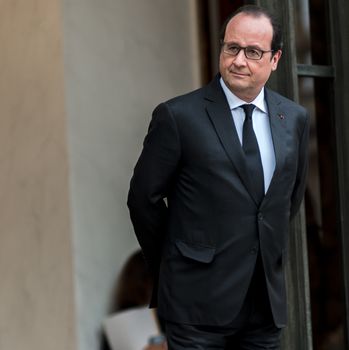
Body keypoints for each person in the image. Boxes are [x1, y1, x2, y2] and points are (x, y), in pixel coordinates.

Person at [127, 5, 309, 350]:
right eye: (232, 48)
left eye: (253, 52)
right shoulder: (179, 116)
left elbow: (287, 201)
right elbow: (142, 199)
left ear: (275, 59)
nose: (239, 60)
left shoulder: (294, 118)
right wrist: (175, 263)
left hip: (264, 305)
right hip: (195, 304)